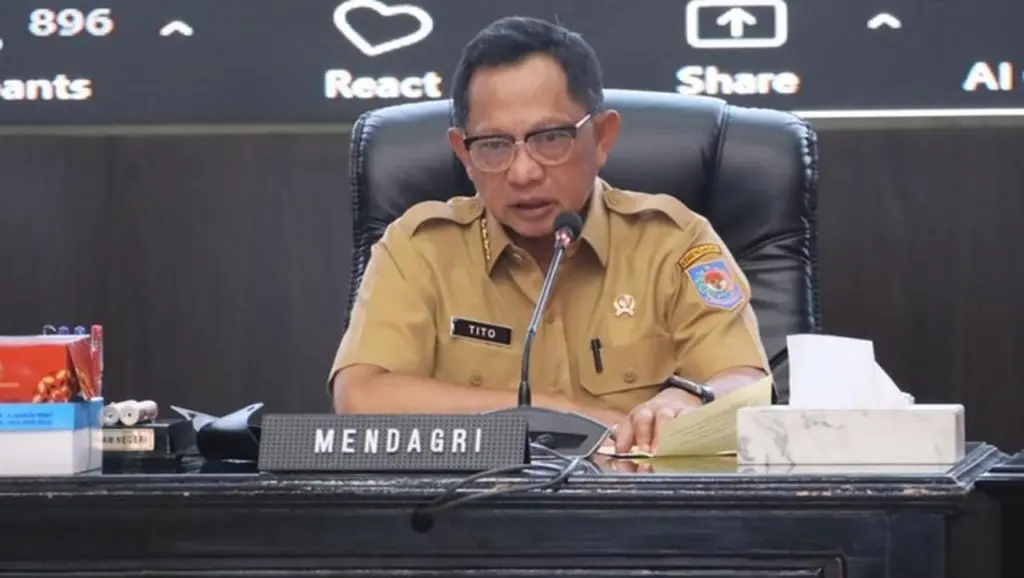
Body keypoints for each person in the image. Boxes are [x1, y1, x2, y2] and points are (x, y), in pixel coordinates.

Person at [329, 16, 770, 455]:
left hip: (633, 497)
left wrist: (690, 400)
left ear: (602, 137)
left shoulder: (673, 243)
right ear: (464, 154)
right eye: (494, 145)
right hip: (474, 498)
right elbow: (361, 398)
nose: (523, 173)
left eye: (549, 138)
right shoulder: (419, 248)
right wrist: (554, 415)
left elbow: (746, 384)